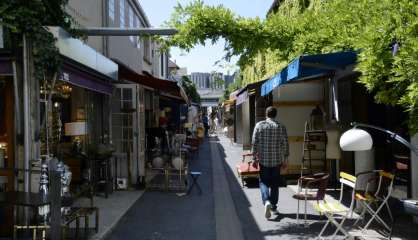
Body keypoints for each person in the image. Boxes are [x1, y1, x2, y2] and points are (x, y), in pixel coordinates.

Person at [251, 106, 289, 219]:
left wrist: (254, 158)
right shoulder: (281, 127)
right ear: (275, 114)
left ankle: (266, 201)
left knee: (263, 182)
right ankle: (273, 205)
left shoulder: (259, 125)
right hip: (277, 161)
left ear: (266, 114)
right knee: (275, 184)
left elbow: (254, 142)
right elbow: (285, 144)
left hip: (263, 160)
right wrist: (285, 159)